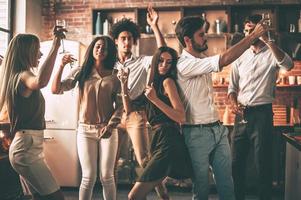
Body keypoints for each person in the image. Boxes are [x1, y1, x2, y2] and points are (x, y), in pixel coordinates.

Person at [174, 16, 267, 200]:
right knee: (201, 190)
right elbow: (224, 59)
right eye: (201, 35)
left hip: (218, 130)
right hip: (196, 134)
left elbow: (224, 57)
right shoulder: (184, 64)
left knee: (227, 185)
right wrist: (252, 36)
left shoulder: (201, 57)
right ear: (187, 40)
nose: (205, 38)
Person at [228, 14, 294, 200]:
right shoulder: (239, 56)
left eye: (253, 30)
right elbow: (232, 88)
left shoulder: (271, 53)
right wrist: (233, 102)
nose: (249, 35)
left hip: (262, 114)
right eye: (247, 31)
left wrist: (268, 40)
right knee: (235, 163)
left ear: (261, 30)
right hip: (241, 115)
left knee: (262, 164)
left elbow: (288, 65)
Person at [51, 36, 122, 200]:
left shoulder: (116, 75)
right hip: (85, 130)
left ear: (110, 52)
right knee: (88, 177)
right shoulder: (81, 71)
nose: (100, 50)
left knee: (107, 176)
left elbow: (120, 105)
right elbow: (56, 89)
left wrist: (111, 126)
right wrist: (61, 65)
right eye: (98, 46)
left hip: (108, 130)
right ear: (92, 49)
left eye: (104, 48)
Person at [118, 46, 192, 200]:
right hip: (158, 139)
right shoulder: (151, 86)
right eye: (160, 61)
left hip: (169, 140)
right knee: (158, 194)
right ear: (154, 62)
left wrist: (155, 99)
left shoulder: (168, 82)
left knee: (134, 195)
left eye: (169, 62)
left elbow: (180, 116)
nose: (164, 65)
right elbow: (129, 109)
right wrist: (123, 83)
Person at [110, 5, 169, 199]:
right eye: (123, 39)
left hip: (136, 114)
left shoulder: (142, 61)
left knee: (144, 160)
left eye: (130, 39)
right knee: (111, 164)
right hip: (114, 116)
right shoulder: (109, 64)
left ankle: (163, 195)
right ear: (116, 41)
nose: (127, 42)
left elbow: (162, 53)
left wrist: (155, 26)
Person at [0, 28, 65, 199]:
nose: (41, 54)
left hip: (27, 146)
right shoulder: (23, 75)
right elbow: (41, 81)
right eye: (37, 50)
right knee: (56, 197)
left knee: (35, 197)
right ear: (26, 53)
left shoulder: (16, 76)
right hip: (26, 149)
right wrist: (55, 46)